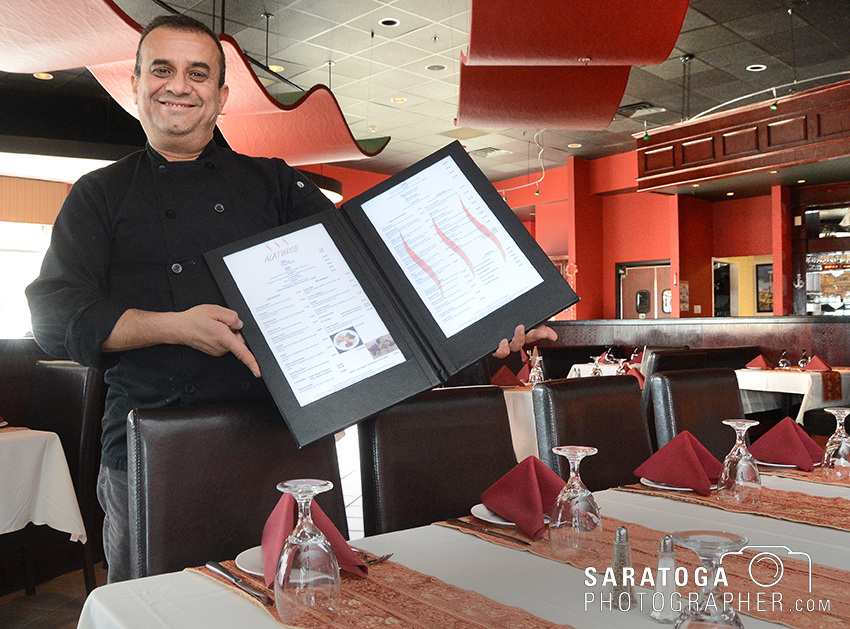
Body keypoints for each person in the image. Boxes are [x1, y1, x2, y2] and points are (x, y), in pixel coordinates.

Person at [25, 14, 555, 583]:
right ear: (135, 84)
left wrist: (482, 331)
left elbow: (375, 286)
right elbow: (53, 316)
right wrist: (172, 326)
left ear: (221, 95)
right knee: (156, 611)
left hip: (283, 446)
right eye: (162, 69)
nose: (179, 85)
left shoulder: (275, 185)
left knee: (302, 604)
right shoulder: (98, 195)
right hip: (153, 452)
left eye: (197, 73)